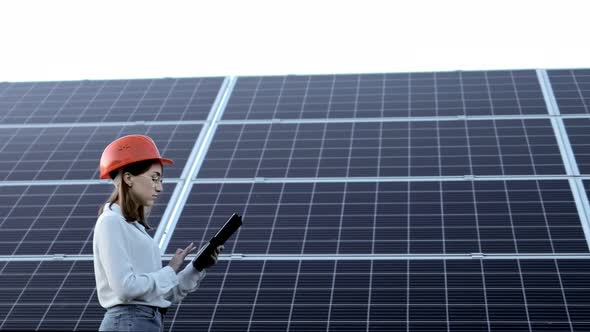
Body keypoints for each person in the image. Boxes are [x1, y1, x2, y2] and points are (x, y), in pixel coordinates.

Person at [93, 134, 223, 332]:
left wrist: (196, 267)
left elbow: (159, 294)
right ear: (128, 178)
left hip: (144, 321)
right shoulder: (111, 221)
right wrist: (169, 270)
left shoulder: (133, 227)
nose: (160, 187)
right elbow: (125, 288)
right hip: (130, 322)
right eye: (154, 178)